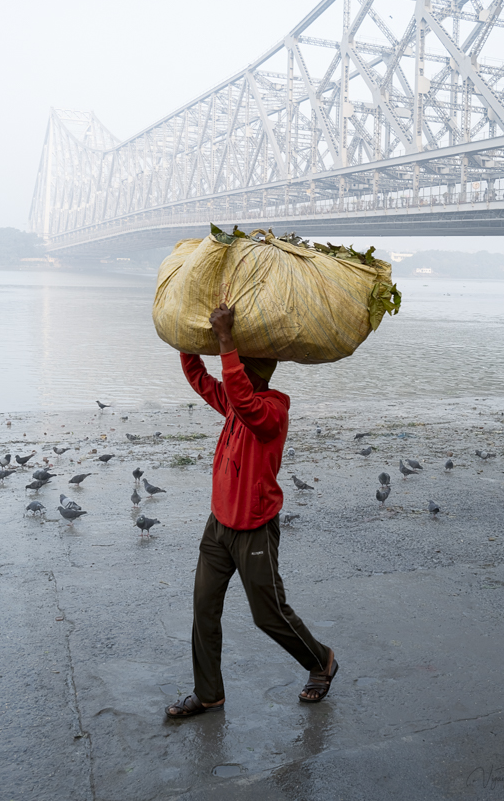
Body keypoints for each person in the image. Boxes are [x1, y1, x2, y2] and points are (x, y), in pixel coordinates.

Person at [165, 302, 338, 718]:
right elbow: (198, 378)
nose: (231, 364)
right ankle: (209, 693)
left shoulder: (270, 412)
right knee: (203, 607)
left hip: (254, 527)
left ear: (250, 367)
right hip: (218, 525)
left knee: (269, 614)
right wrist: (186, 337)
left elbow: (241, 397)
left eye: (238, 359)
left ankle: (321, 661)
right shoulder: (234, 402)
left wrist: (225, 340)